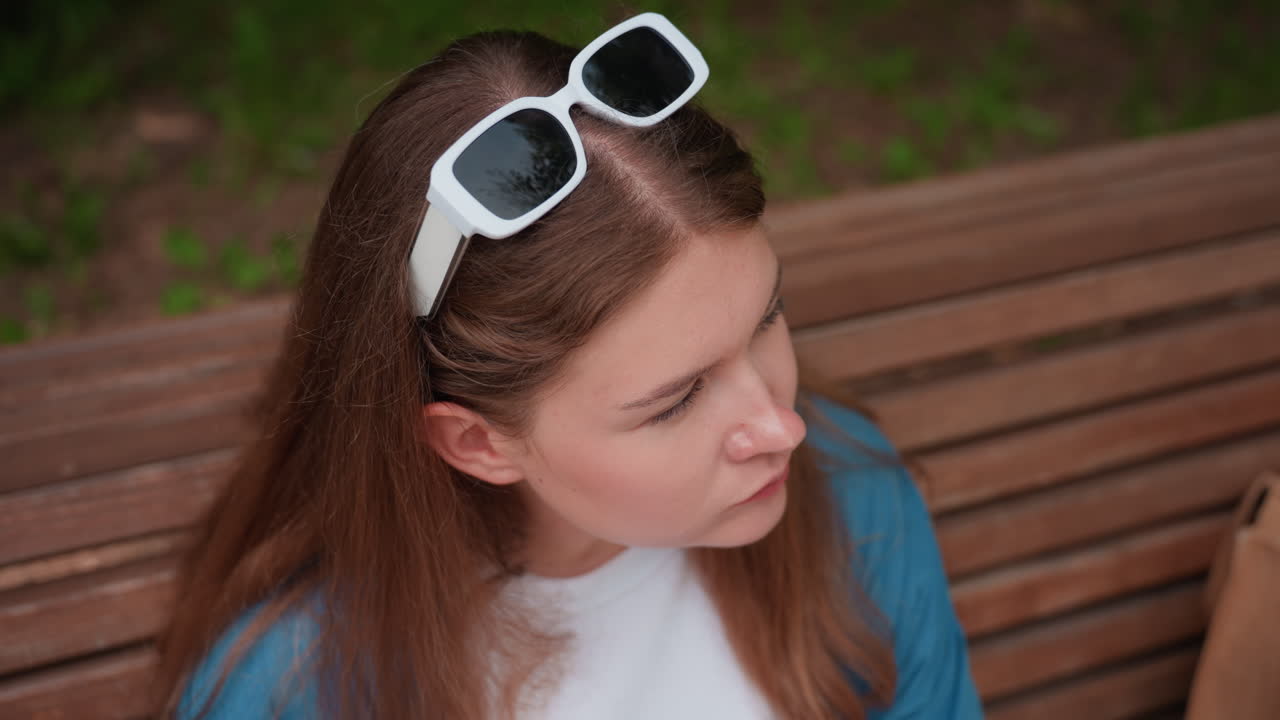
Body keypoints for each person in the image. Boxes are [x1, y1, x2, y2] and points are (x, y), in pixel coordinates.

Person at [152, 11, 983, 720]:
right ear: (478, 443)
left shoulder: (853, 498)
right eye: (676, 401)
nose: (782, 427)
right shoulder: (293, 689)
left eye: (767, 318)